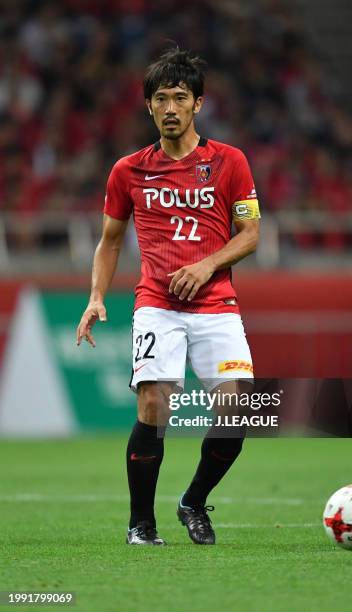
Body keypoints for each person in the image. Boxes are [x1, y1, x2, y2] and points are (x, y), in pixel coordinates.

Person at [76, 48, 260, 546]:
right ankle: (142, 524)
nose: (171, 107)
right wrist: (96, 296)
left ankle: (193, 502)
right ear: (149, 107)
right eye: (161, 98)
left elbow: (250, 234)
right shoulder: (128, 170)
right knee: (154, 403)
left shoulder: (229, 162)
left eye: (181, 97)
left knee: (238, 409)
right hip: (156, 304)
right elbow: (110, 240)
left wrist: (206, 264)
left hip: (216, 304)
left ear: (199, 103)